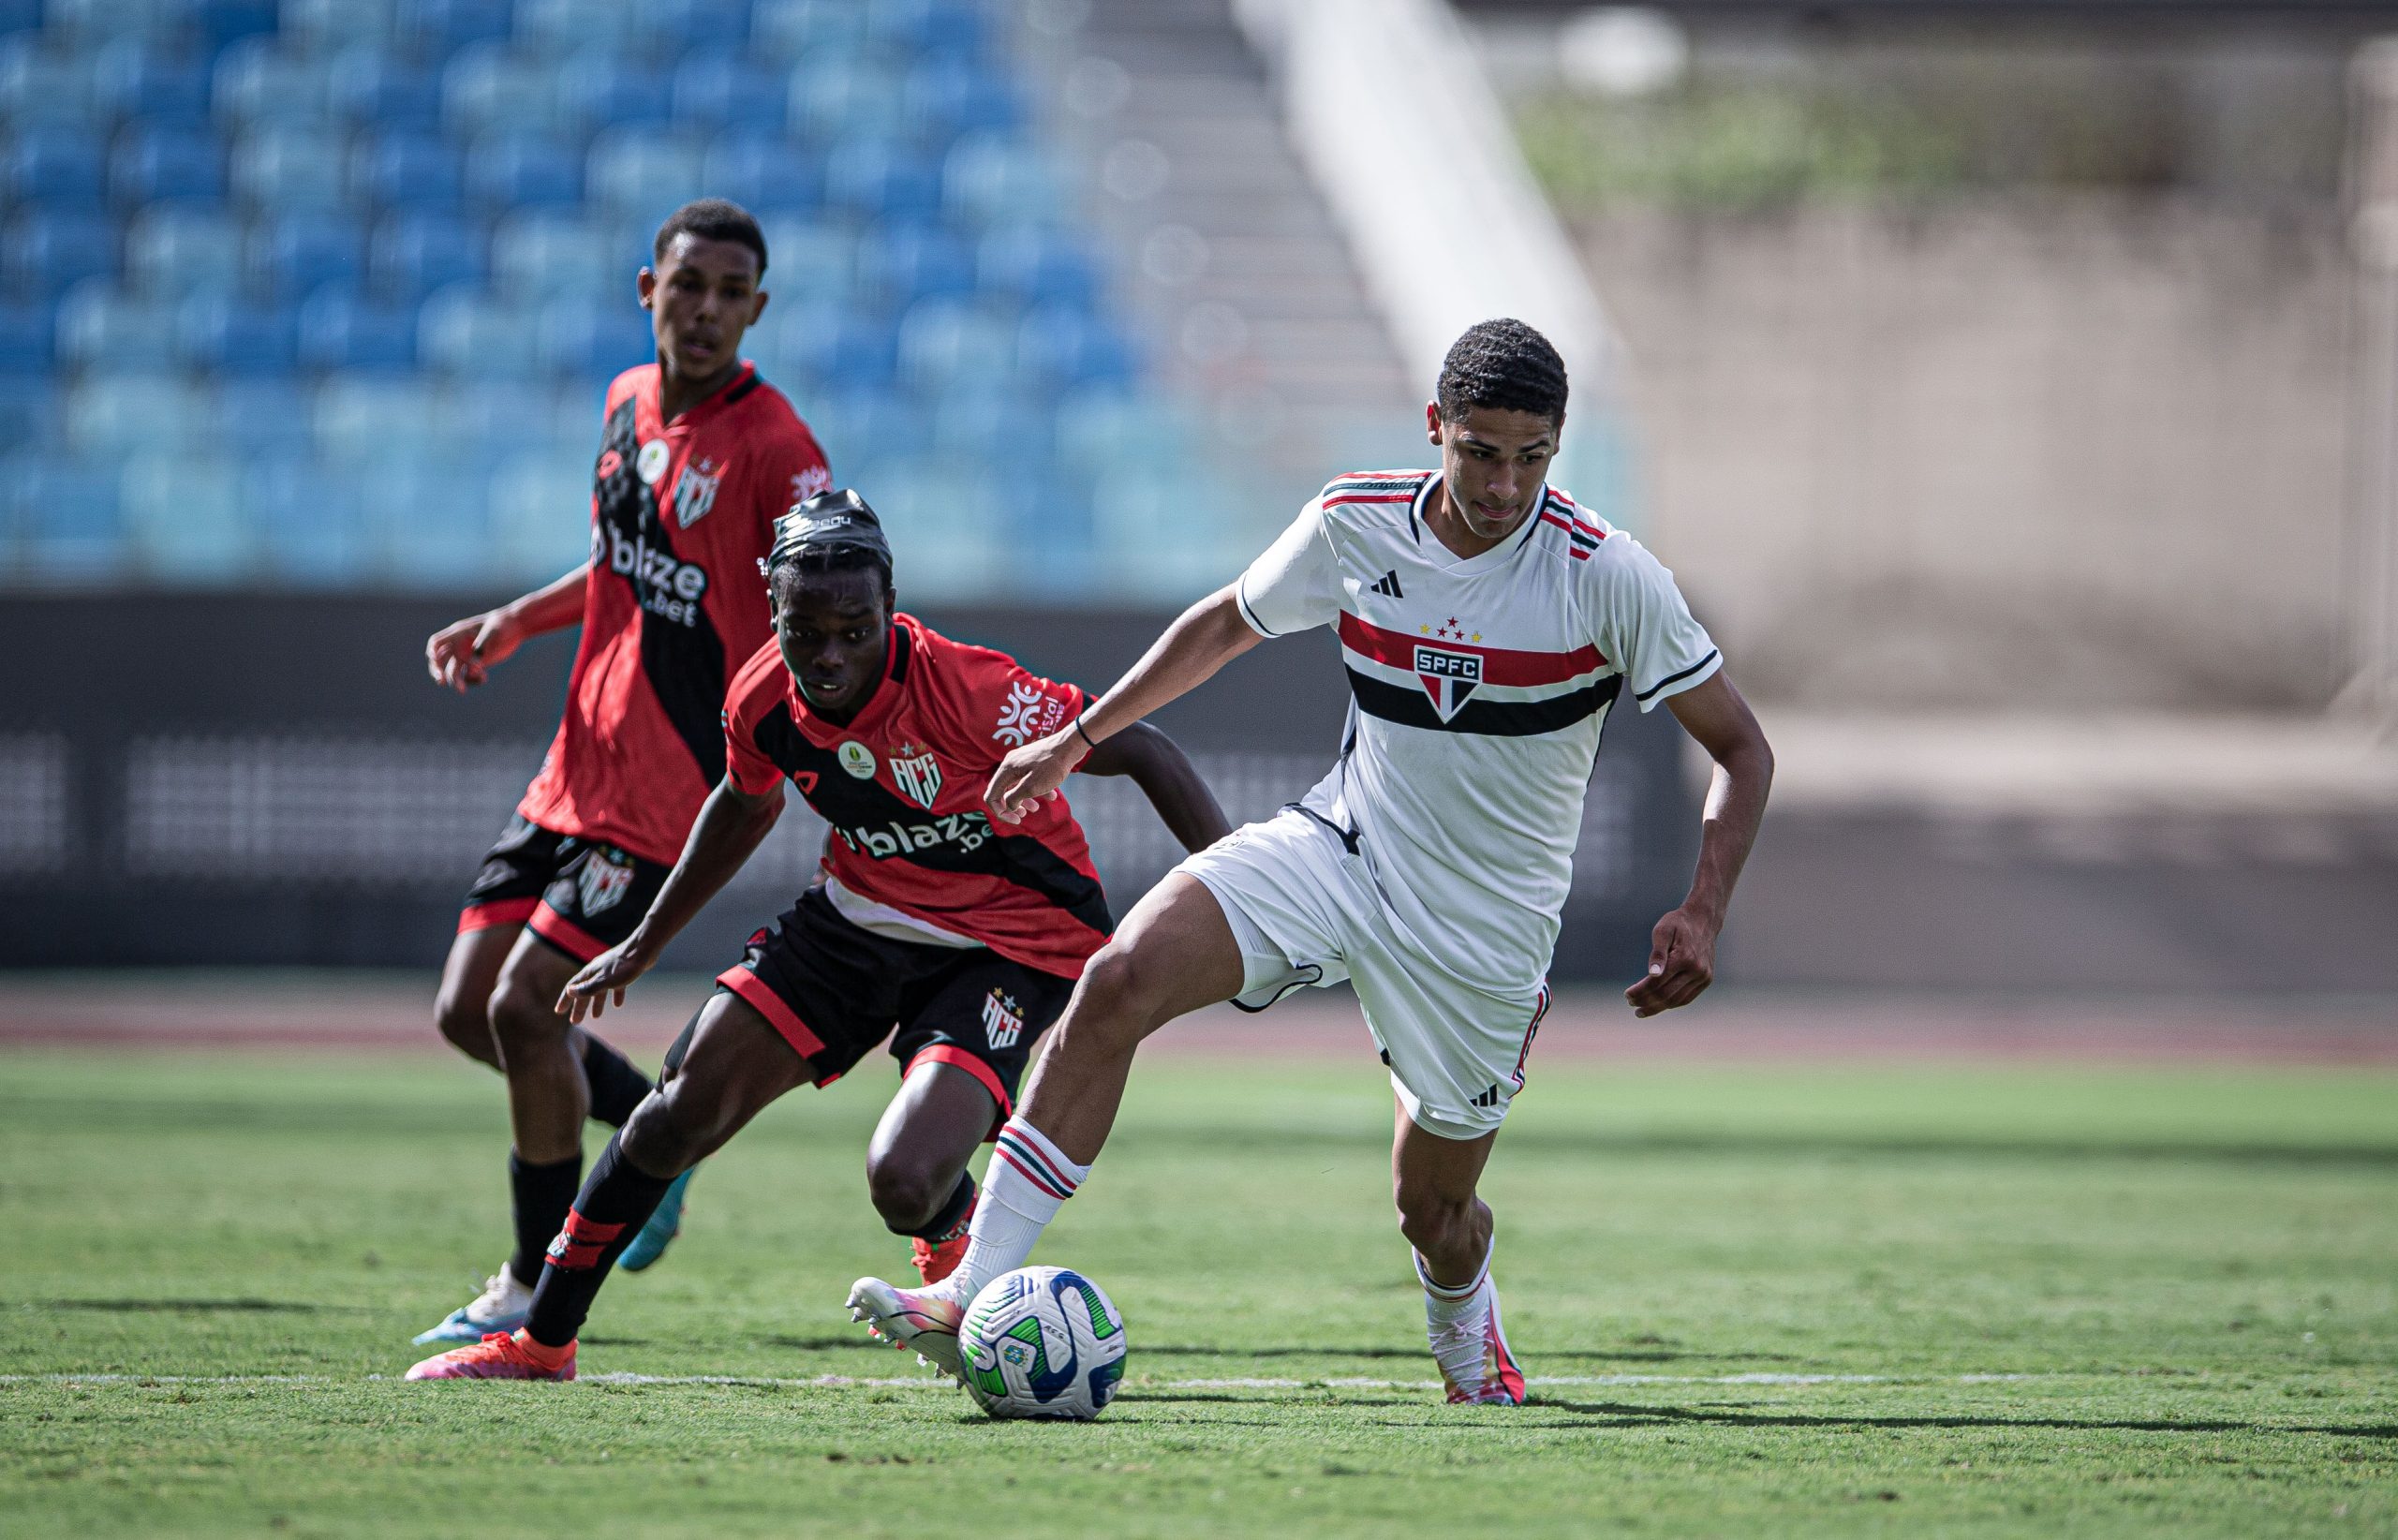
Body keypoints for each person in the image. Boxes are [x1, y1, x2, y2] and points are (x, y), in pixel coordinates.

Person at [844, 318, 1775, 1405]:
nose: (1504, 485)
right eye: (1480, 451)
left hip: (1483, 936)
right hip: (1342, 849)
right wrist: (1076, 737)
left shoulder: (1606, 576)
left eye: (1531, 458)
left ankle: (1466, 1321)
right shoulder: (1354, 525)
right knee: (1117, 980)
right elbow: (1223, 625)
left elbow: (1742, 749)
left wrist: (1703, 908)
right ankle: (973, 1286)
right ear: (1436, 427)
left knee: (1431, 1212)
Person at [404, 491, 1233, 1382]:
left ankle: (952, 1247)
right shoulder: (760, 697)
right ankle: (542, 1342)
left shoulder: (972, 691)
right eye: (806, 630)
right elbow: (743, 804)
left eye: (855, 628)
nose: (830, 654)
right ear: (774, 610)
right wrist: (644, 941)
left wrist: (1236, 889)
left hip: (1013, 944)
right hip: (854, 920)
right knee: (678, 1109)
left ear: (890, 608)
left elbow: (1141, 746)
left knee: (903, 1182)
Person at [414, 199, 833, 1346]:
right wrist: (516, 618)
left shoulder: (777, 450)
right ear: (645, 290)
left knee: (522, 1010)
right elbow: (618, 561)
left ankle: (530, 1288)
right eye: (685, 285)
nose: (704, 310)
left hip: (666, 789)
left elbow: (832, 597)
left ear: (757, 308)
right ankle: (666, 1128)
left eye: (728, 292)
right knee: (467, 1013)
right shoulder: (622, 402)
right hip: (572, 766)